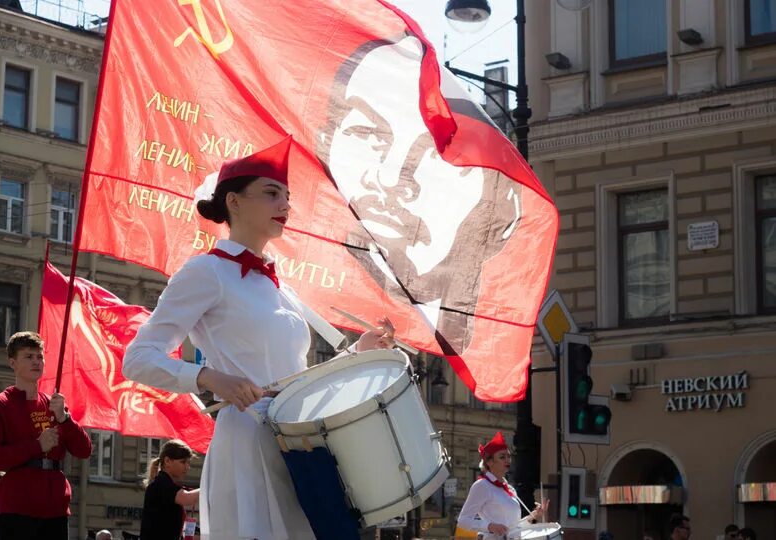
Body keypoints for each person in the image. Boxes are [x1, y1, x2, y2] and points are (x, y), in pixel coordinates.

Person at [123, 135, 396, 540]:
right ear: (233, 202)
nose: (285, 206)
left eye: (286, 196)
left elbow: (292, 378)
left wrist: (358, 353)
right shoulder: (206, 272)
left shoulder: (278, 285)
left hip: (296, 443)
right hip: (248, 443)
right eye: (271, 193)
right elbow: (138, 358)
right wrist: (208, 378)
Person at [318, 34, 523, 355]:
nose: (390, 178)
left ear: (501, 211)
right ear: (323, 148)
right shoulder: (293, 286)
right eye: (367, 132)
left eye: (436, 154)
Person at [0, 331, 92, 540]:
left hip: (56, 506)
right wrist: (36, 446)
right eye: (28, 357)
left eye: (40, 357)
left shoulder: (55, 404)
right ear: (13, 363)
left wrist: (64, 418)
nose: (36, 362)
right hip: (18, 507)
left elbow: (84, 450)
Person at [456, 432, 548, 538]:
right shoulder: (482, 485)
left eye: (509, 456)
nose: (507, 460)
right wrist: (489, 526)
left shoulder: (510, 489)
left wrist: (534, 516)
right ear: (489, 462)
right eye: (502, 457)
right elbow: (463, 520)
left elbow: (513, 528)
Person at [140, 440, 200, 540]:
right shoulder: (161, 484)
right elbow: (187, 498)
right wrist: (211, 486)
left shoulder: (164, 483)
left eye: (188, 463)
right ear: (167, 461)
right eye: (183, 462)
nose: (187, 467)